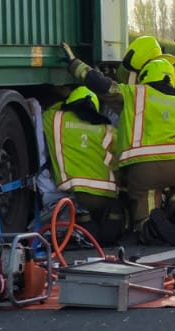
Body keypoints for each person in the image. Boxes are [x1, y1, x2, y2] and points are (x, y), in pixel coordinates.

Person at [64, 49, 175, 243]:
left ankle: (148, 225)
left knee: (145, 193)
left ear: (146, 75)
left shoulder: (134, 93)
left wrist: (75, 64)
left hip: (143, 167)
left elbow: (101, 85)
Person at [41, 86, 125, 245]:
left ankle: (84, 220)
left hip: (76, 195)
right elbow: (119, 161)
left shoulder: (53, 119)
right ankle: (110, 218)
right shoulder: (107, 129)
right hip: (106, 195)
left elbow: (47, 108)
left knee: (76, 207)